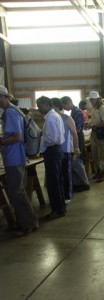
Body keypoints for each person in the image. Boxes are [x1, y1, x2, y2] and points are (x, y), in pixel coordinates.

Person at [0, 86, 38, 234]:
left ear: (3, 97)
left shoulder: (10, 112)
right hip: (16, 157)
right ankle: (22, 221)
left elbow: (17, 136)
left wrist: (2, 142)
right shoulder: (14, 110)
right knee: (16, 191)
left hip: (14, 158)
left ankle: (28, 223)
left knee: (17, 192)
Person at [37, 96, 66, 220]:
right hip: (56, 151)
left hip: (52, 151)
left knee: (53, 183)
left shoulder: (51, 118)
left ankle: (57, 210)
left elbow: (52, 139)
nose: (38, 108)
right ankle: (60, 208)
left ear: (47, 105)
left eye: (40, 106)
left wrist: (42, 146)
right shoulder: (54, 116)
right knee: (57, 181)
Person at [52, 98, 80, 204]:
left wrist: (76, 148)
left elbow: (75, 133)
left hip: (65, 149)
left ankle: (67, 195)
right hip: (55, 149)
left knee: (66, 172)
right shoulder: (51, 118)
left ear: (56, 106)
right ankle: (60, 194)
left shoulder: (67, 118)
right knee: (58, 173)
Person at [61, 96, 90, 193]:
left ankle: (85, 183)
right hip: (75, 137)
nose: (64, 108)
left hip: (77, 137)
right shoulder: (73, 112)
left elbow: (76, 130)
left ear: (69, 102)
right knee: (74, 162)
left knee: (77, 161)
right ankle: (78, 182)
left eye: (64, 106)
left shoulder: (77, 112)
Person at [88, 91, 104, 182]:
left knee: (102, 154)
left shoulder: (102, 108)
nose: (91, 101)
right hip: (94, 133)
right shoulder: (94, 108)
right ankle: (98, 170)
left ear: (97, 99)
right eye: (91, 99)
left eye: (92, 99)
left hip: (100, 132)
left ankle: (103, 172)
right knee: (95, 153)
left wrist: (95, 125)